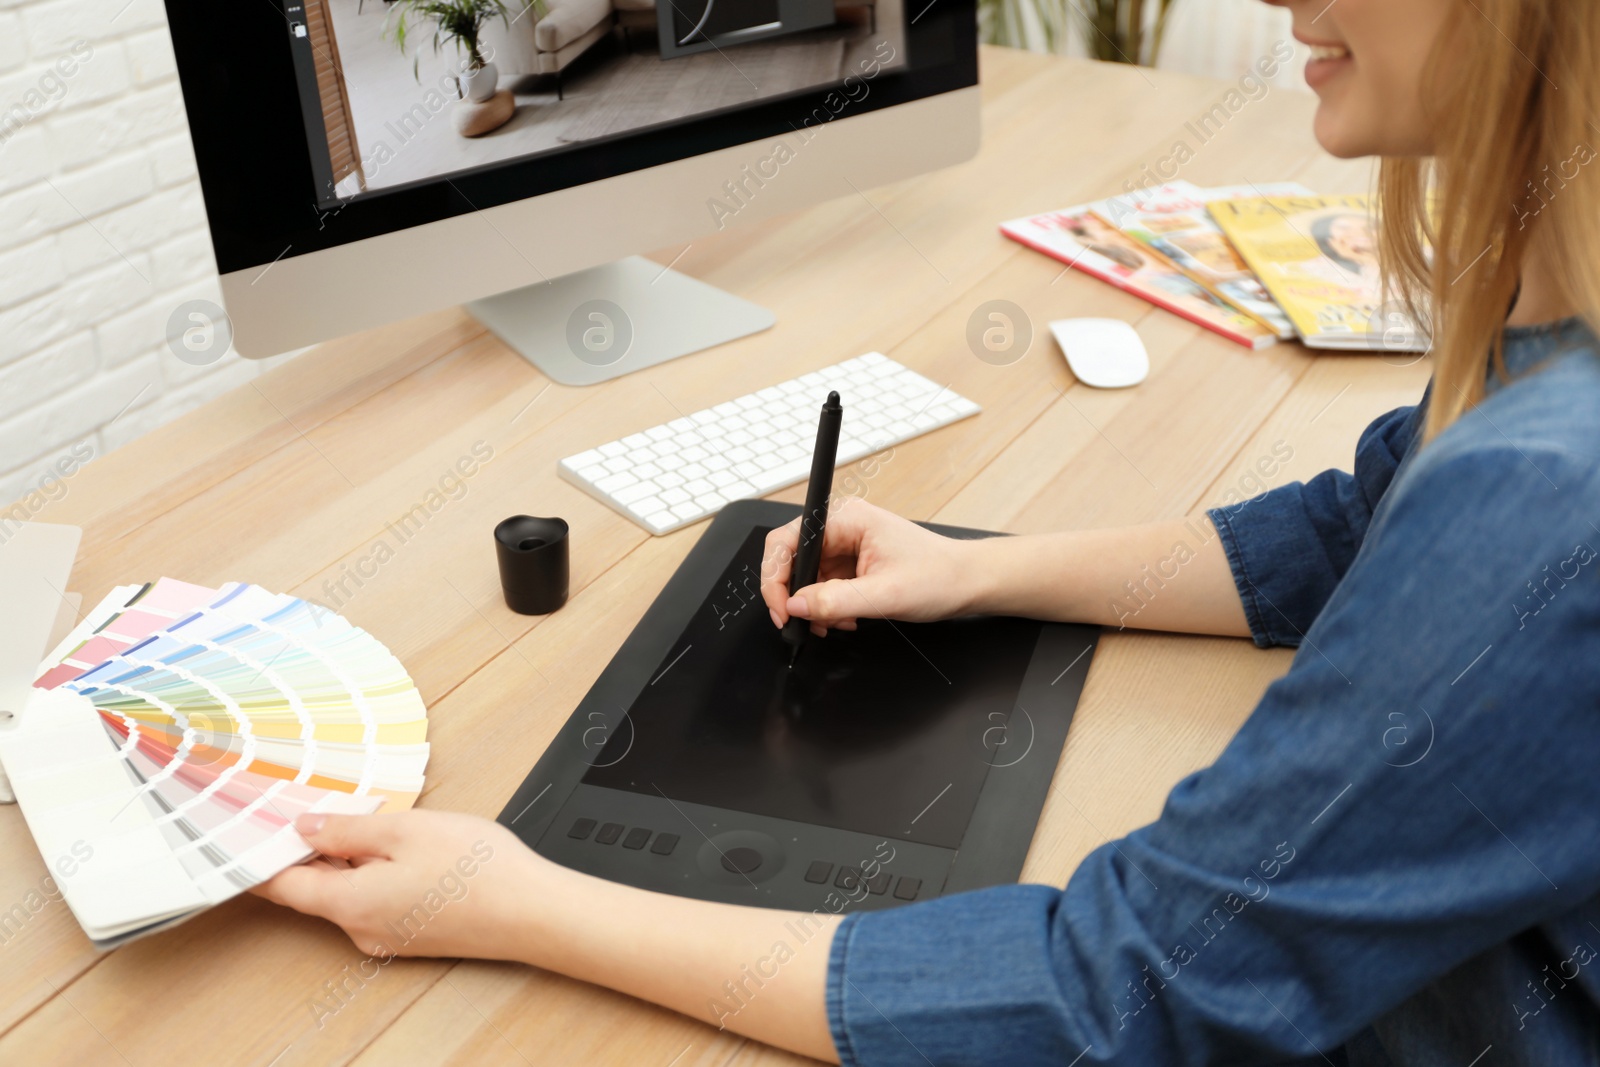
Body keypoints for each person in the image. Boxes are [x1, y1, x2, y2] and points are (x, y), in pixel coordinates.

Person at [257, 0, 1600, 1061]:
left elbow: (1120, 996)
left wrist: (517, 900)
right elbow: (1355, 530)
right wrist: (973, 573)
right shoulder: (1544, 347)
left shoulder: (1546, 487)